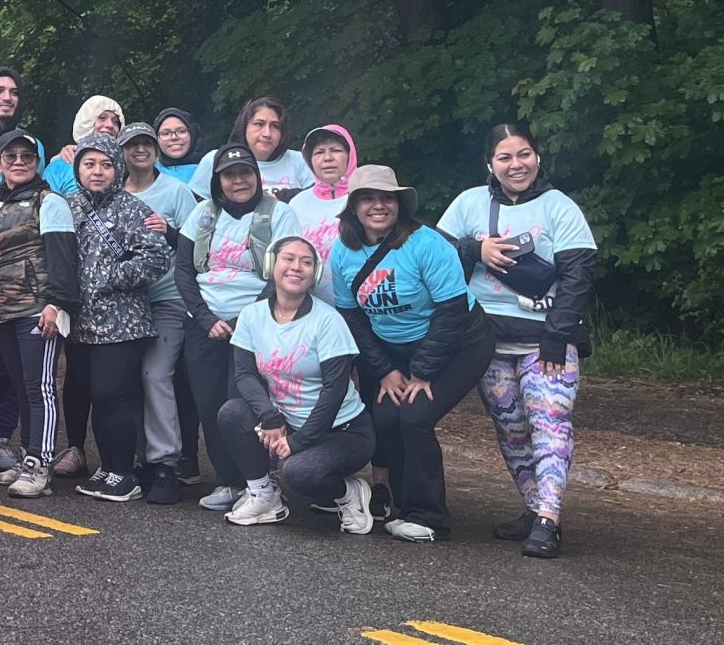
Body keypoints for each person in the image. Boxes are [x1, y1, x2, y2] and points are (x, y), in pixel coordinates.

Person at [436, 124, 596, 559]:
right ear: (490, 164)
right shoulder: (468, 204)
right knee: (510, 431)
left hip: (546, 341)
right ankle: (532, 505)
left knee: (549, 425)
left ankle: (549, 519)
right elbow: (433, 262)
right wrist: (475, 249)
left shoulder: (560, 207)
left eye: (523, 154)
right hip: (486, 343)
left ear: (537, 157)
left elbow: (577, 278)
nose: (516, 165)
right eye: (505, 157)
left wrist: (555, 338)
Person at [327, 164, 493, 543]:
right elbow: (352, 317)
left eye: (387, 198)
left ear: (400, 204)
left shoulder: (426, 244)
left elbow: (451, 313)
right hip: (395, 352)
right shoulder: (342, 251)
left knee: (415, 416)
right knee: (385, 416)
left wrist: (421, 373)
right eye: (367, 198)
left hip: (460, 342)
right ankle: (403, 505)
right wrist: (385, 370)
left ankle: (430, 516)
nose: (378, 206)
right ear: (353, 207)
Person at [215, 236, 377, 532]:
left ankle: (349, 492)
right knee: (232, 413)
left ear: (314, 273)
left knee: (299, 473)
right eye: (288, 258)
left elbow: (335, 389)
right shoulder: (252, 315)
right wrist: (270, 415)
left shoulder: (328, 321)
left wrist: (297, 443)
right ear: (271, 265)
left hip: (343, 432)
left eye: (306, 262)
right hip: (288, 422)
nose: (296, 267)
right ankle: (265, 496)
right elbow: (245, 375)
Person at [179, 143, 304, 512]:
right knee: (208, 403)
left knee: (242, 403)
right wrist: (205, 318)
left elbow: (283, 274)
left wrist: (239, 323)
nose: (238, 180)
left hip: (256, 325)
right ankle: (228, 481)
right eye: (230, 175)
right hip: (203, 324)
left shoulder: (280, 214)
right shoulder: (202, 213)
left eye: (245, 173)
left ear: (257, 176)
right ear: (218, 181)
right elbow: (184, 271)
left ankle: (260, 480)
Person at [63, 133, 173, 502]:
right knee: (94, 394)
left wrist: (108, 279)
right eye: (89, 164)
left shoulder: (134, 209)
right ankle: (107, 468)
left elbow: (156, 258)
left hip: (122, 322)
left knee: (114, 394)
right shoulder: (67, 207)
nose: (98, 172)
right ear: (78, 167)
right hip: (79, 322)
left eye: (106, 164)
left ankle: (123, 472)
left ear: (118, 168)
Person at [0, 130, 79, 499]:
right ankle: (28, 454)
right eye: (11, 156)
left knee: (40, 388)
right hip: (2, 311)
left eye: (27, 157)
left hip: (37, 310)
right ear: (0, 162)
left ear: (37, 163)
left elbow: (63, 259)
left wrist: (56, 304)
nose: (19, 163)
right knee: (19, 387)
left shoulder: (49, 202)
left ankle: (40, 462)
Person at [119, 121, 200, 504]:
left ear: (156, 150)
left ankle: (167, 462)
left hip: (168, 299)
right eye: (132, 145)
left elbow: (200, 247)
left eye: (146, 144)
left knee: (156, 375)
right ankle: (140, 459)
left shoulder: (177, 191)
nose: (140, 151)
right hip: (124, 302)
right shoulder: (114, 193)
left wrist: (169, 231)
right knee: (127, 380)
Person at [288, 125, 360, 304]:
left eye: (336, 150)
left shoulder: (364, 199)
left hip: (364, 307)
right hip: (313, 310)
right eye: (319, 152)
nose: (327, 158)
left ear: (349, 155)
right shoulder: (297, 204)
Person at [190, 96, 309, 198]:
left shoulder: (299, 161)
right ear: (244, 126)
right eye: (259, 124)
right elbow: (195, 207)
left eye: (275, 126)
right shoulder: (216, 159)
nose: (267, 133)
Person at [46, 95, 125, 195]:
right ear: (85, 120)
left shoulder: (125, 166)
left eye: (115, 121)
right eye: (102, 118)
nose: (110, 125)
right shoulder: (59, 167)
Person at [154, 108, 203, 184]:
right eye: (165, 133)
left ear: (193, 135)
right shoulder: (148, 172)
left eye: (181, 131)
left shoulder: (210, 170)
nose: (174, 137)